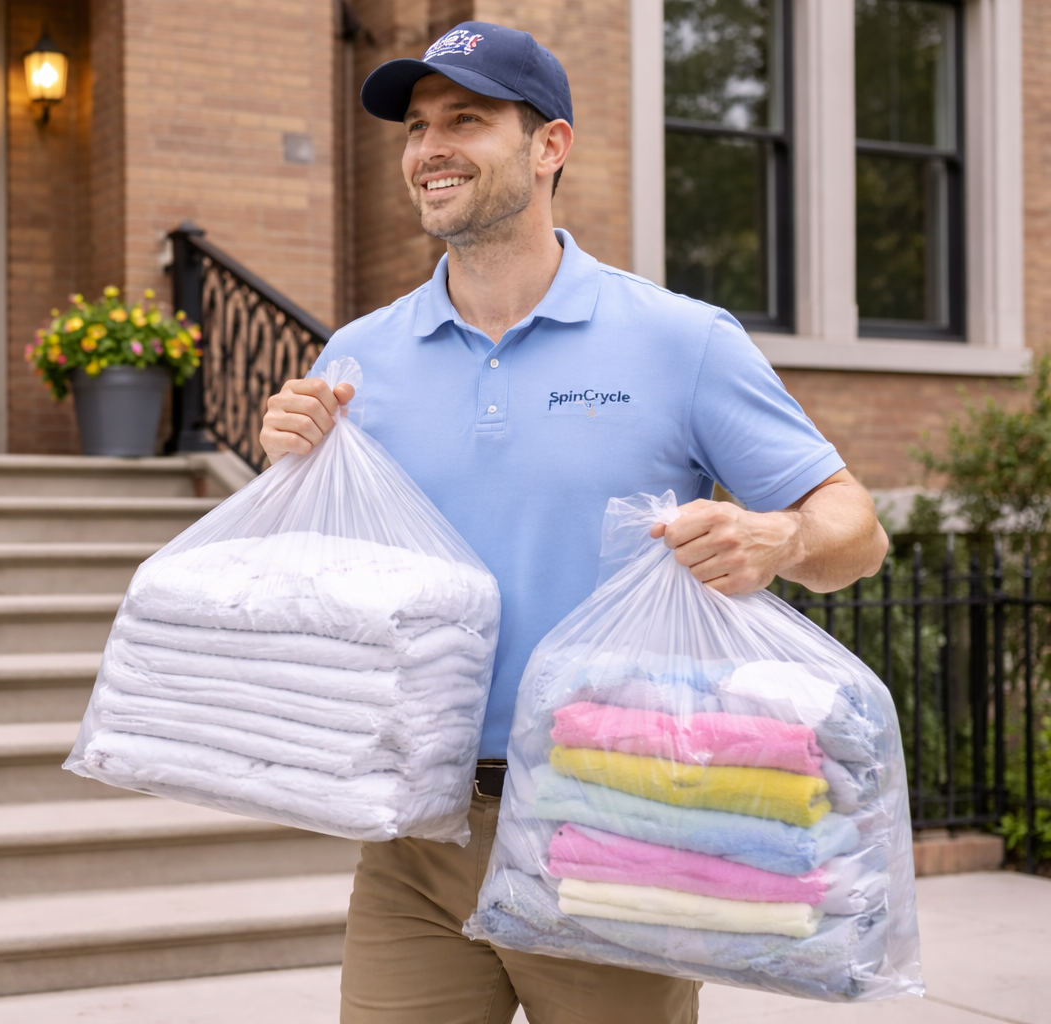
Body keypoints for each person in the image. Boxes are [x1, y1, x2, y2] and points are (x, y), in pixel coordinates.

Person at [258, 20, 889, 1024]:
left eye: (466, 119)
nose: (428, 150)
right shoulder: (358, 357)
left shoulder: (680, 341)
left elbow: (855, 526)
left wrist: (782, 539)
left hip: (616, 821)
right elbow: (319, 582)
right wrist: (287, 469)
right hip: (418, 834)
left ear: (550, 145)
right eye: (417, 127)